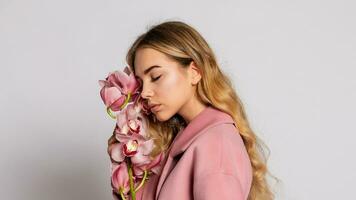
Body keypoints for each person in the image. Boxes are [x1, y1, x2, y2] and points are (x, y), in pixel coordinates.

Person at [108, 20, 277, 200]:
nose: (145, 92)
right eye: (141, 83)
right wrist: (125, 166)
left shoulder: (215, 145)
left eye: (156, 77)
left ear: (195, 72)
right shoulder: (183, 142)